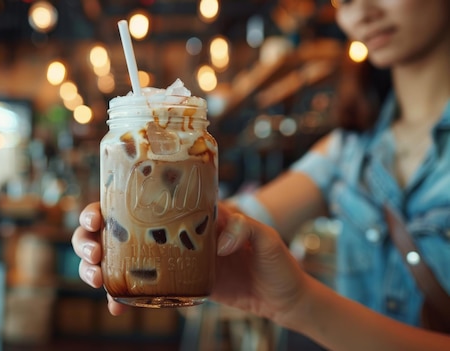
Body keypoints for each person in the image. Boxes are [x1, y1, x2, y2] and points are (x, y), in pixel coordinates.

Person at [72, 0, 450, 349]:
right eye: (345, 0)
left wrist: (301, 303)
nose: (362, 12)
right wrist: (145, 230)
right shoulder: (349, 150)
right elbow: (240, 217)